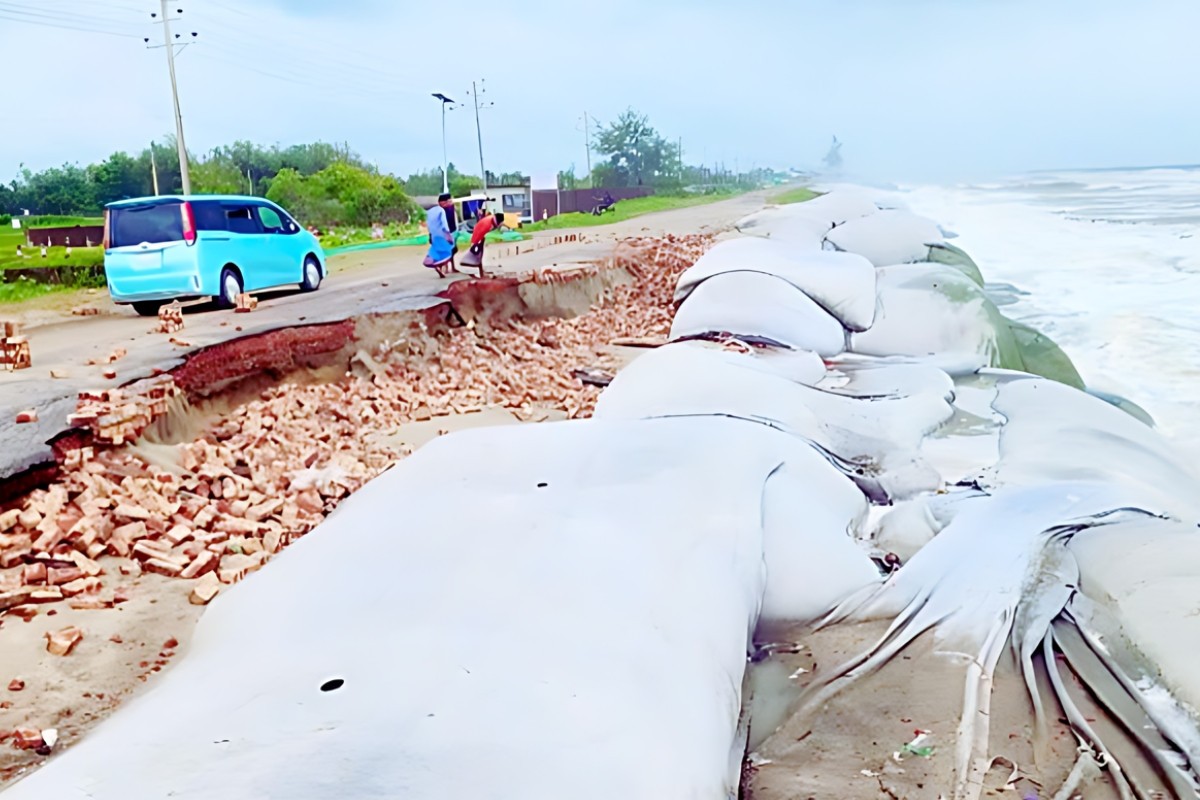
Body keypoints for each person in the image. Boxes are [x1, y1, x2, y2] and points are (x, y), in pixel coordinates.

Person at [459, 211, 505, 277]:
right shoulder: (487, 225)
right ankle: (478, 271)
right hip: (478, 236)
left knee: (480, 254)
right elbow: (478, 235)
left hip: (480, 235)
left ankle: (481, 271)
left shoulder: (492, 220)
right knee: (478, 254)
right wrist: (474, 244)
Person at [424, 194, 456, 278]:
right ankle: (441, 266)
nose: (450, 203)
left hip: (434, 235)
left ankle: (441, 267)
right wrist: (448, 235)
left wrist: (430, 235)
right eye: (448, 201)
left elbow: (428, 225)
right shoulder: (441, 210)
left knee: (438, 251)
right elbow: (445, 225)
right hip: (443, 234)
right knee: (447, 252)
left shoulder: (429, 212)